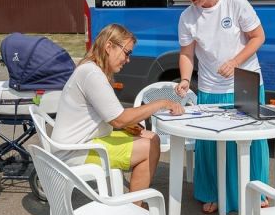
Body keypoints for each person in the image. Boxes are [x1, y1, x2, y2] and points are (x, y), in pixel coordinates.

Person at [173, 0, 270, 214]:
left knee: (250, 138)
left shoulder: (235, 2)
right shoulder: (187, 17)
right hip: (210, 86)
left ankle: (256, 191)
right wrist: (185, 79)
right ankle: (214, 193)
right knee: (211, 142)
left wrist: (235, 62)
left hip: (246, 81)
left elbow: (258, 36)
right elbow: (186, 54)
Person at [52, 23, 184, 203]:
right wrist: (160, 103)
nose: (128, 59)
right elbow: (119, 120)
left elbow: (109, 115)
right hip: (75, 152)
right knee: (150, 146)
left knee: (151, 136)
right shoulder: (93, 75)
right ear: (109, 47)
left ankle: (134, 206)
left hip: (77, 142)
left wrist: (128, 124)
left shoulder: (90, 69)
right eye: (127, 52)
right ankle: (135, 212)